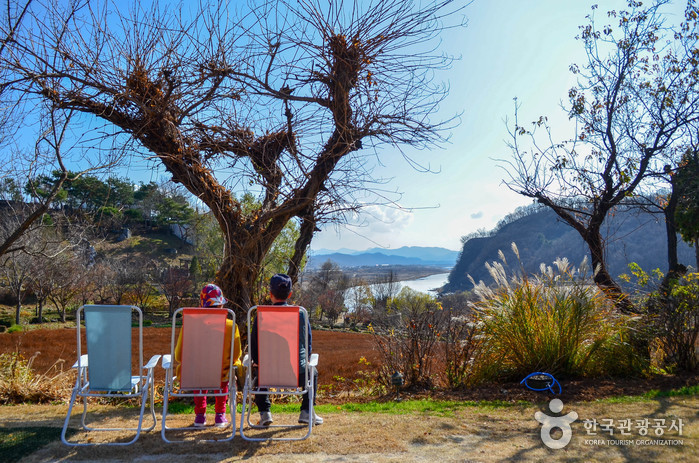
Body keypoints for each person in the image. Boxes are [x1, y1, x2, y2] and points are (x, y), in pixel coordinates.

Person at [250, 273, 323, 426]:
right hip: (298, 375)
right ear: (290, 294)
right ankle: (306, 412)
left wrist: (257, 362)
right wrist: (307, 359)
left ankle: (265, 413)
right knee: (313, 372)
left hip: (268, 375)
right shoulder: (301, 314)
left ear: (270, 294)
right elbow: (307, 342)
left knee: (259, 370)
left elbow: (254, 345)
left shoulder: (261, 315)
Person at [174, 283, 242, 428]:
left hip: (196, 375)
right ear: (220, 306)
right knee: (224, 375)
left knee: (199, 375)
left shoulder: (190, 325)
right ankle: (220, 416)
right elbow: (236, 355)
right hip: (221, 374)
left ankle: (200, 416)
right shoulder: (231, 326)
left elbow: (179, 355)